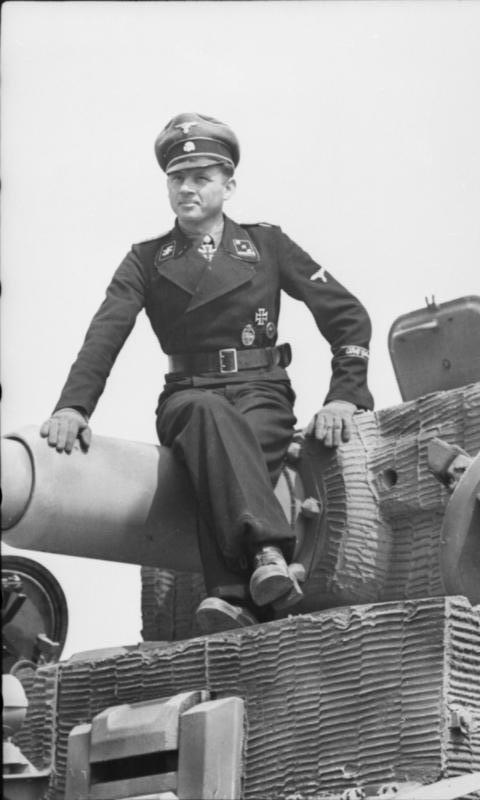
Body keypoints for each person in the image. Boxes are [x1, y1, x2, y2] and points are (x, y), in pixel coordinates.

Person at [40, 112, 374, 634]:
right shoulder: (145, 261)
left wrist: (344, 394)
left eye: (202, 178)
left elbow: (347, 314)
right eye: (177, 178)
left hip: (263, 392)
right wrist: (73, 406)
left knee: (232, 446)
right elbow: (104, 334)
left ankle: (231, 594)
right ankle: (266, 552)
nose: (187, 189)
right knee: (208, 416)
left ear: (229, 185)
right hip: (188, 395)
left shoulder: (267, 246)